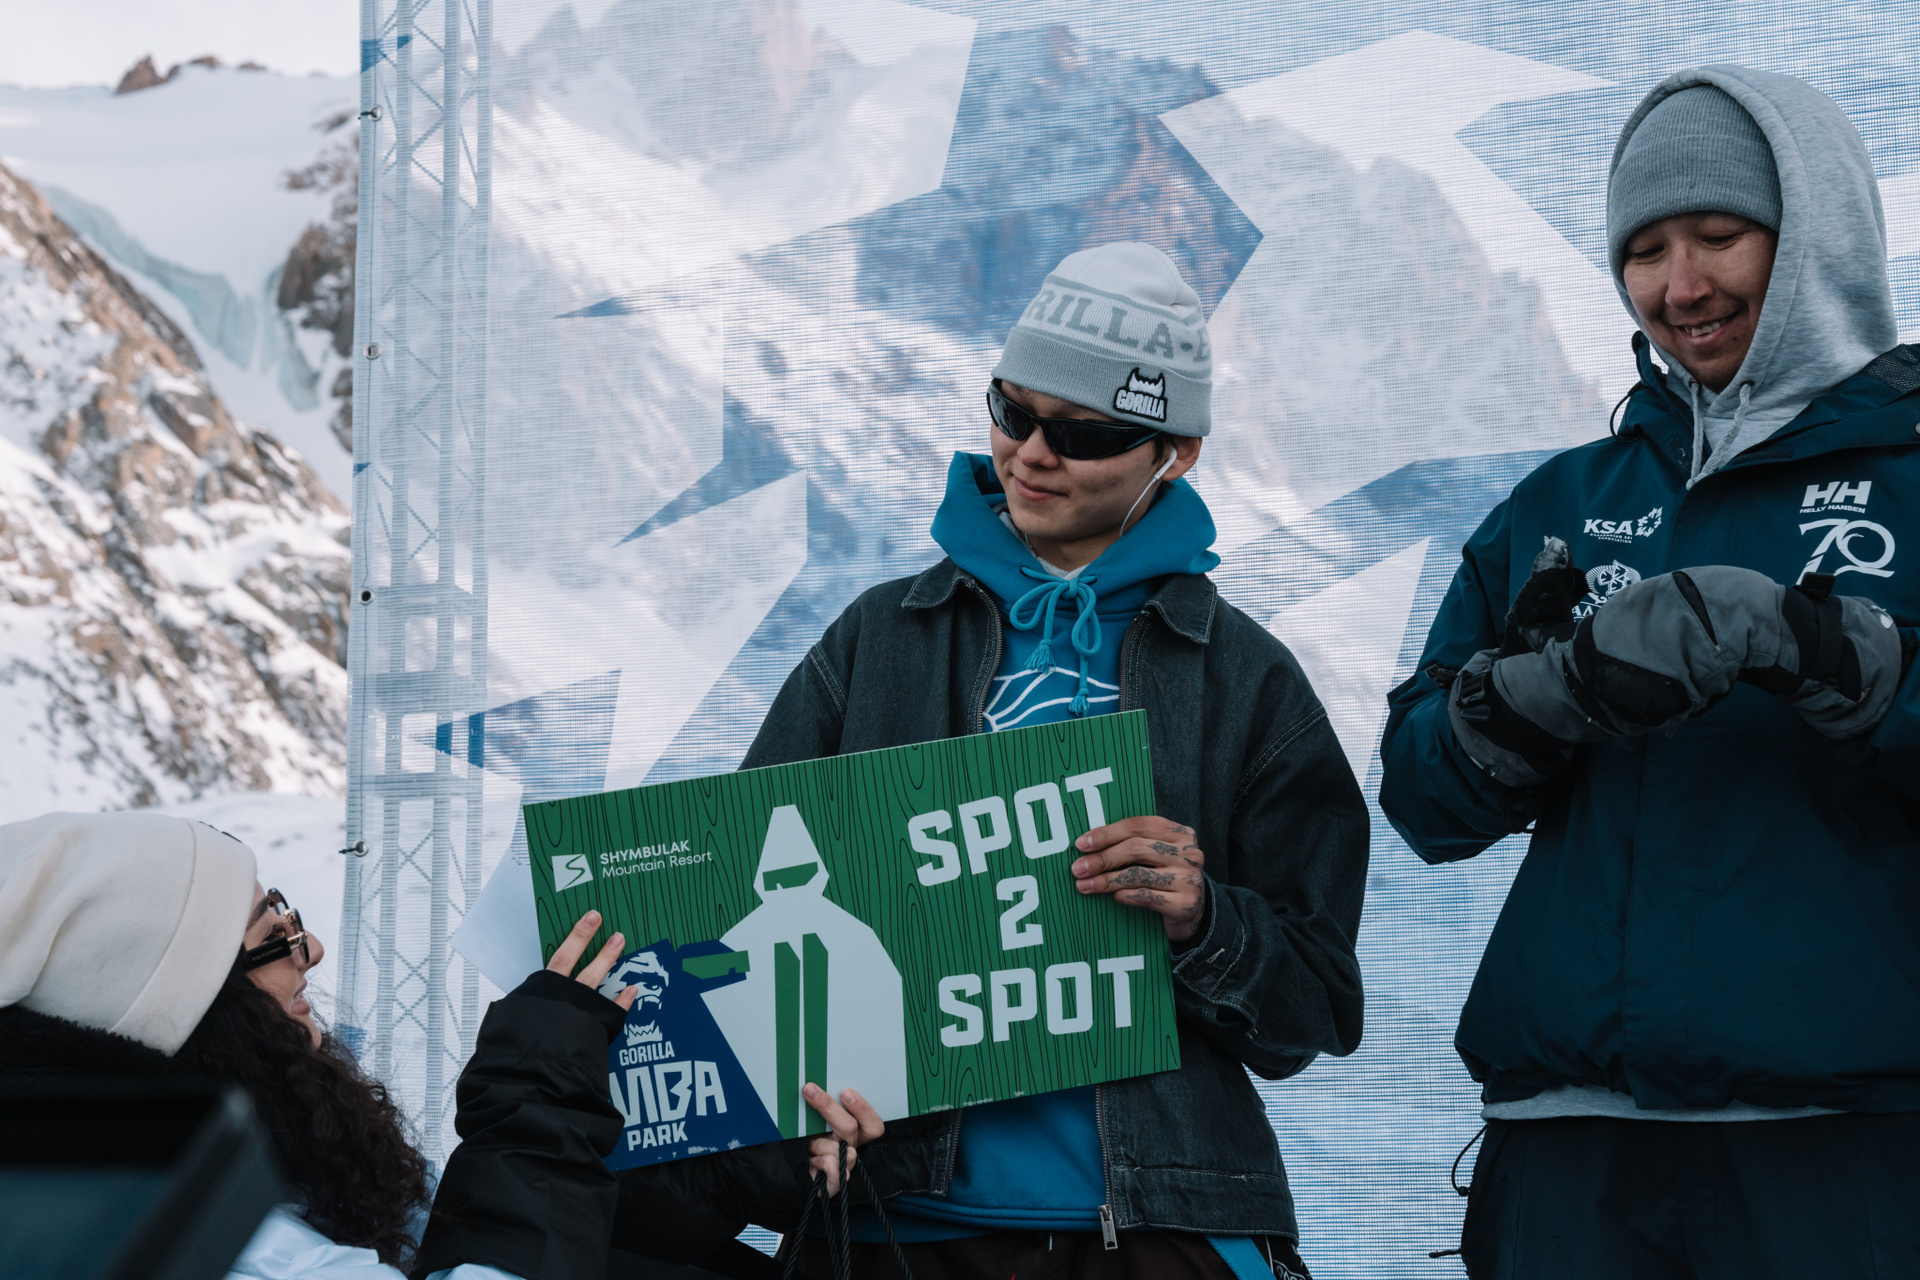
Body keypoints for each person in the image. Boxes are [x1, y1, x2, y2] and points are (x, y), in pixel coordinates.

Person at [1379, 65, 1920, 1278]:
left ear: (1817, 234)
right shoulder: (1564, 499)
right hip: (1569, 1151)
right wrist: (1532, 698)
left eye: (1719, 235)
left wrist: (1831, 654)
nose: (1682, 286)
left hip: (1852, 1149)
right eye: (1644, 250)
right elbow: (1419, 799)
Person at [742, 242, 1369, 1280]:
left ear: (1178, 451)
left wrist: (1202, 919)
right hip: (891, 1217)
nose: (1031, 453)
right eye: (1012, 411)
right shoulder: (876, 641)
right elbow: (743, 905)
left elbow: (1315, 1009)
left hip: (1161, 1225)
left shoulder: (1246, 679)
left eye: (1083, 433)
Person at [0, 810, 884, 1280]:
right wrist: (534, 1090)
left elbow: (463, 1234)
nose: (312, 949)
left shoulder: (225, 1173)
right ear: (183, 1002)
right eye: (274, 935)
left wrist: (732, 1171)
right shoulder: (213, 1248)